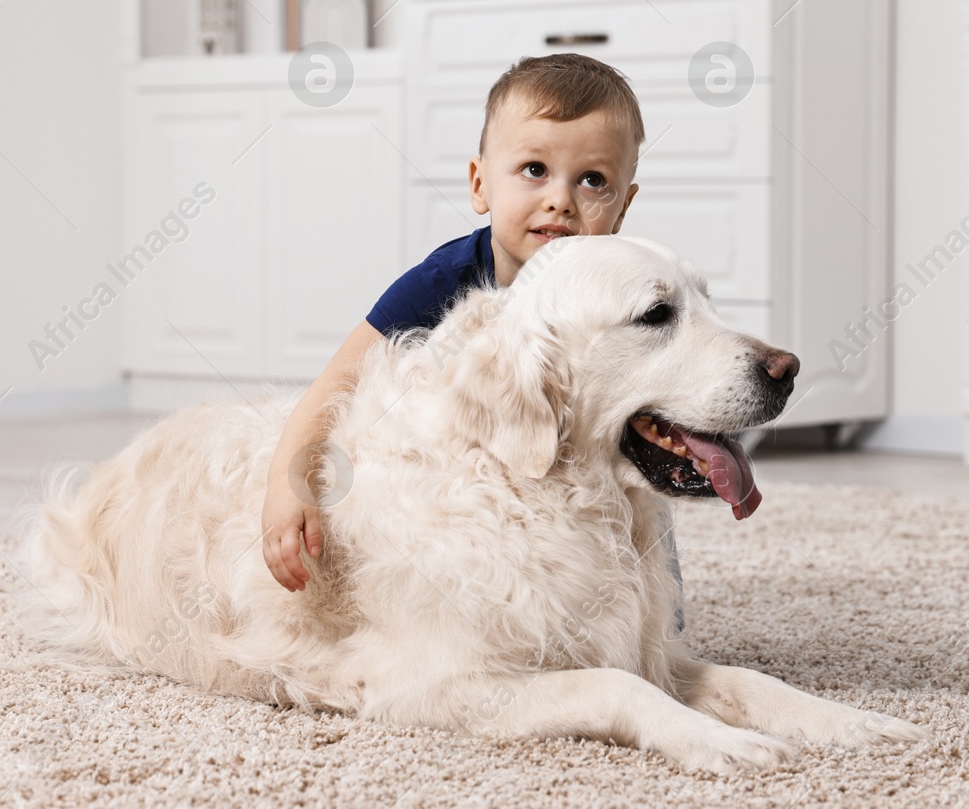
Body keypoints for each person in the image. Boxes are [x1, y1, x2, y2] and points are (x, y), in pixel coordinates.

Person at [260, 52, 687, 631]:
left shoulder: (614, 294)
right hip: (469, 480)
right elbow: (338, 381)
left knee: (634, 477)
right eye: (534, 170)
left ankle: (654, 605)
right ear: (480, 184)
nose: (561, 199)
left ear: (622, 208)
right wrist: (290, 486)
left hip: (581, 463)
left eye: (593, 180)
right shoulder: (442, 282)